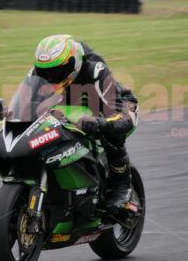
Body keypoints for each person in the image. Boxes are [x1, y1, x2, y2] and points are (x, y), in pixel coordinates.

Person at [32, 34, 138, 213]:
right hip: (72, 104)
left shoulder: (95, 69)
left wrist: (98, 123)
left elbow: (122, 117)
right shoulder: (38, 72)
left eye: (58, 71)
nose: (51, 77)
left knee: (111, 132)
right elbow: (27, 106)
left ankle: (123, 188)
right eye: (46, 72)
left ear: (74, 63)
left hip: (113, 105)